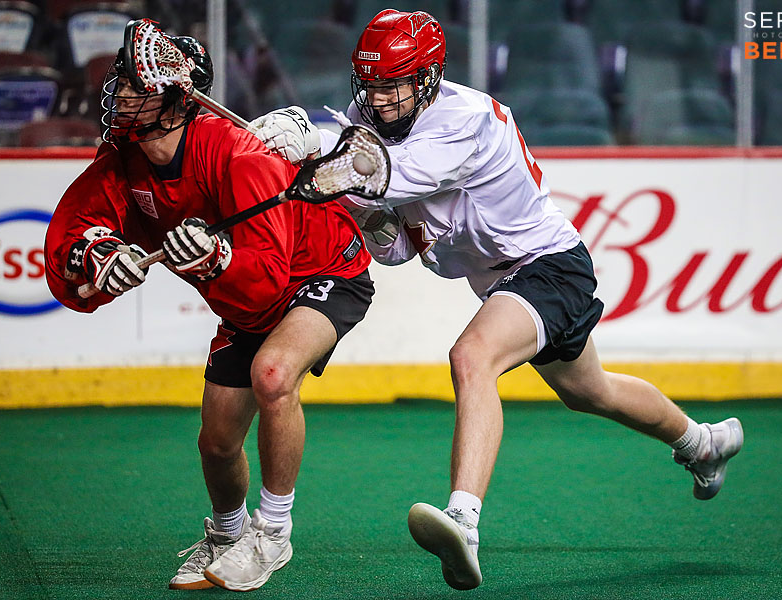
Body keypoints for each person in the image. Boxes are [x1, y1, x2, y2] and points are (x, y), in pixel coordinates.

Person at [251, 9, 744, 591]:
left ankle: (464, 520)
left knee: (471, 357)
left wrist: (310, 141)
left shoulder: (466, 118)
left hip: (549, 267)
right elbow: (396, 247)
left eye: (393, 84)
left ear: (427, 79)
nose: (379, 99)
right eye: (371, 83)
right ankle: (702, 443)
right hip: (507, 283)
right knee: (592, 392)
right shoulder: (370, 119)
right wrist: (363, 212)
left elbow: (388, 174)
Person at [44, 28, 374, 593]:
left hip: (323, 270)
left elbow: (268, 283)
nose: (118, 92)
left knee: (273, 373)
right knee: (217, 443)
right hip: (246, 291)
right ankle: (226, 535)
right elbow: (68, 239)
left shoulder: (238, 155)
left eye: (134, 84)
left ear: (176, 99)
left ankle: (272, 533)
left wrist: (215, 259)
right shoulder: (123, 159)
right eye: (120, 82)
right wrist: (98, 256)